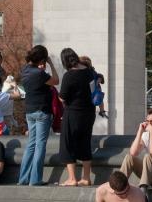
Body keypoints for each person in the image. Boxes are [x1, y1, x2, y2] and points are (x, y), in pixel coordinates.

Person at [17, 45, 59, 186]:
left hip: (29, 110)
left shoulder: (24, 70)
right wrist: (51, 64)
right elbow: (56, 81)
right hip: (42, 110)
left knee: (31, 145)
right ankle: (35, 179)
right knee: (40, 145)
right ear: (41, 59)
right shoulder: (40, 74)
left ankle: (23, 179)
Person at [58, 48, 95, 187]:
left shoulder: (69, 75)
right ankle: (86, 178)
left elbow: (62, 97)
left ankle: (72, 178)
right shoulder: (89, 71)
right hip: (89, 113)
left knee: (68, 144)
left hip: (73, 113)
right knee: (85, 143)